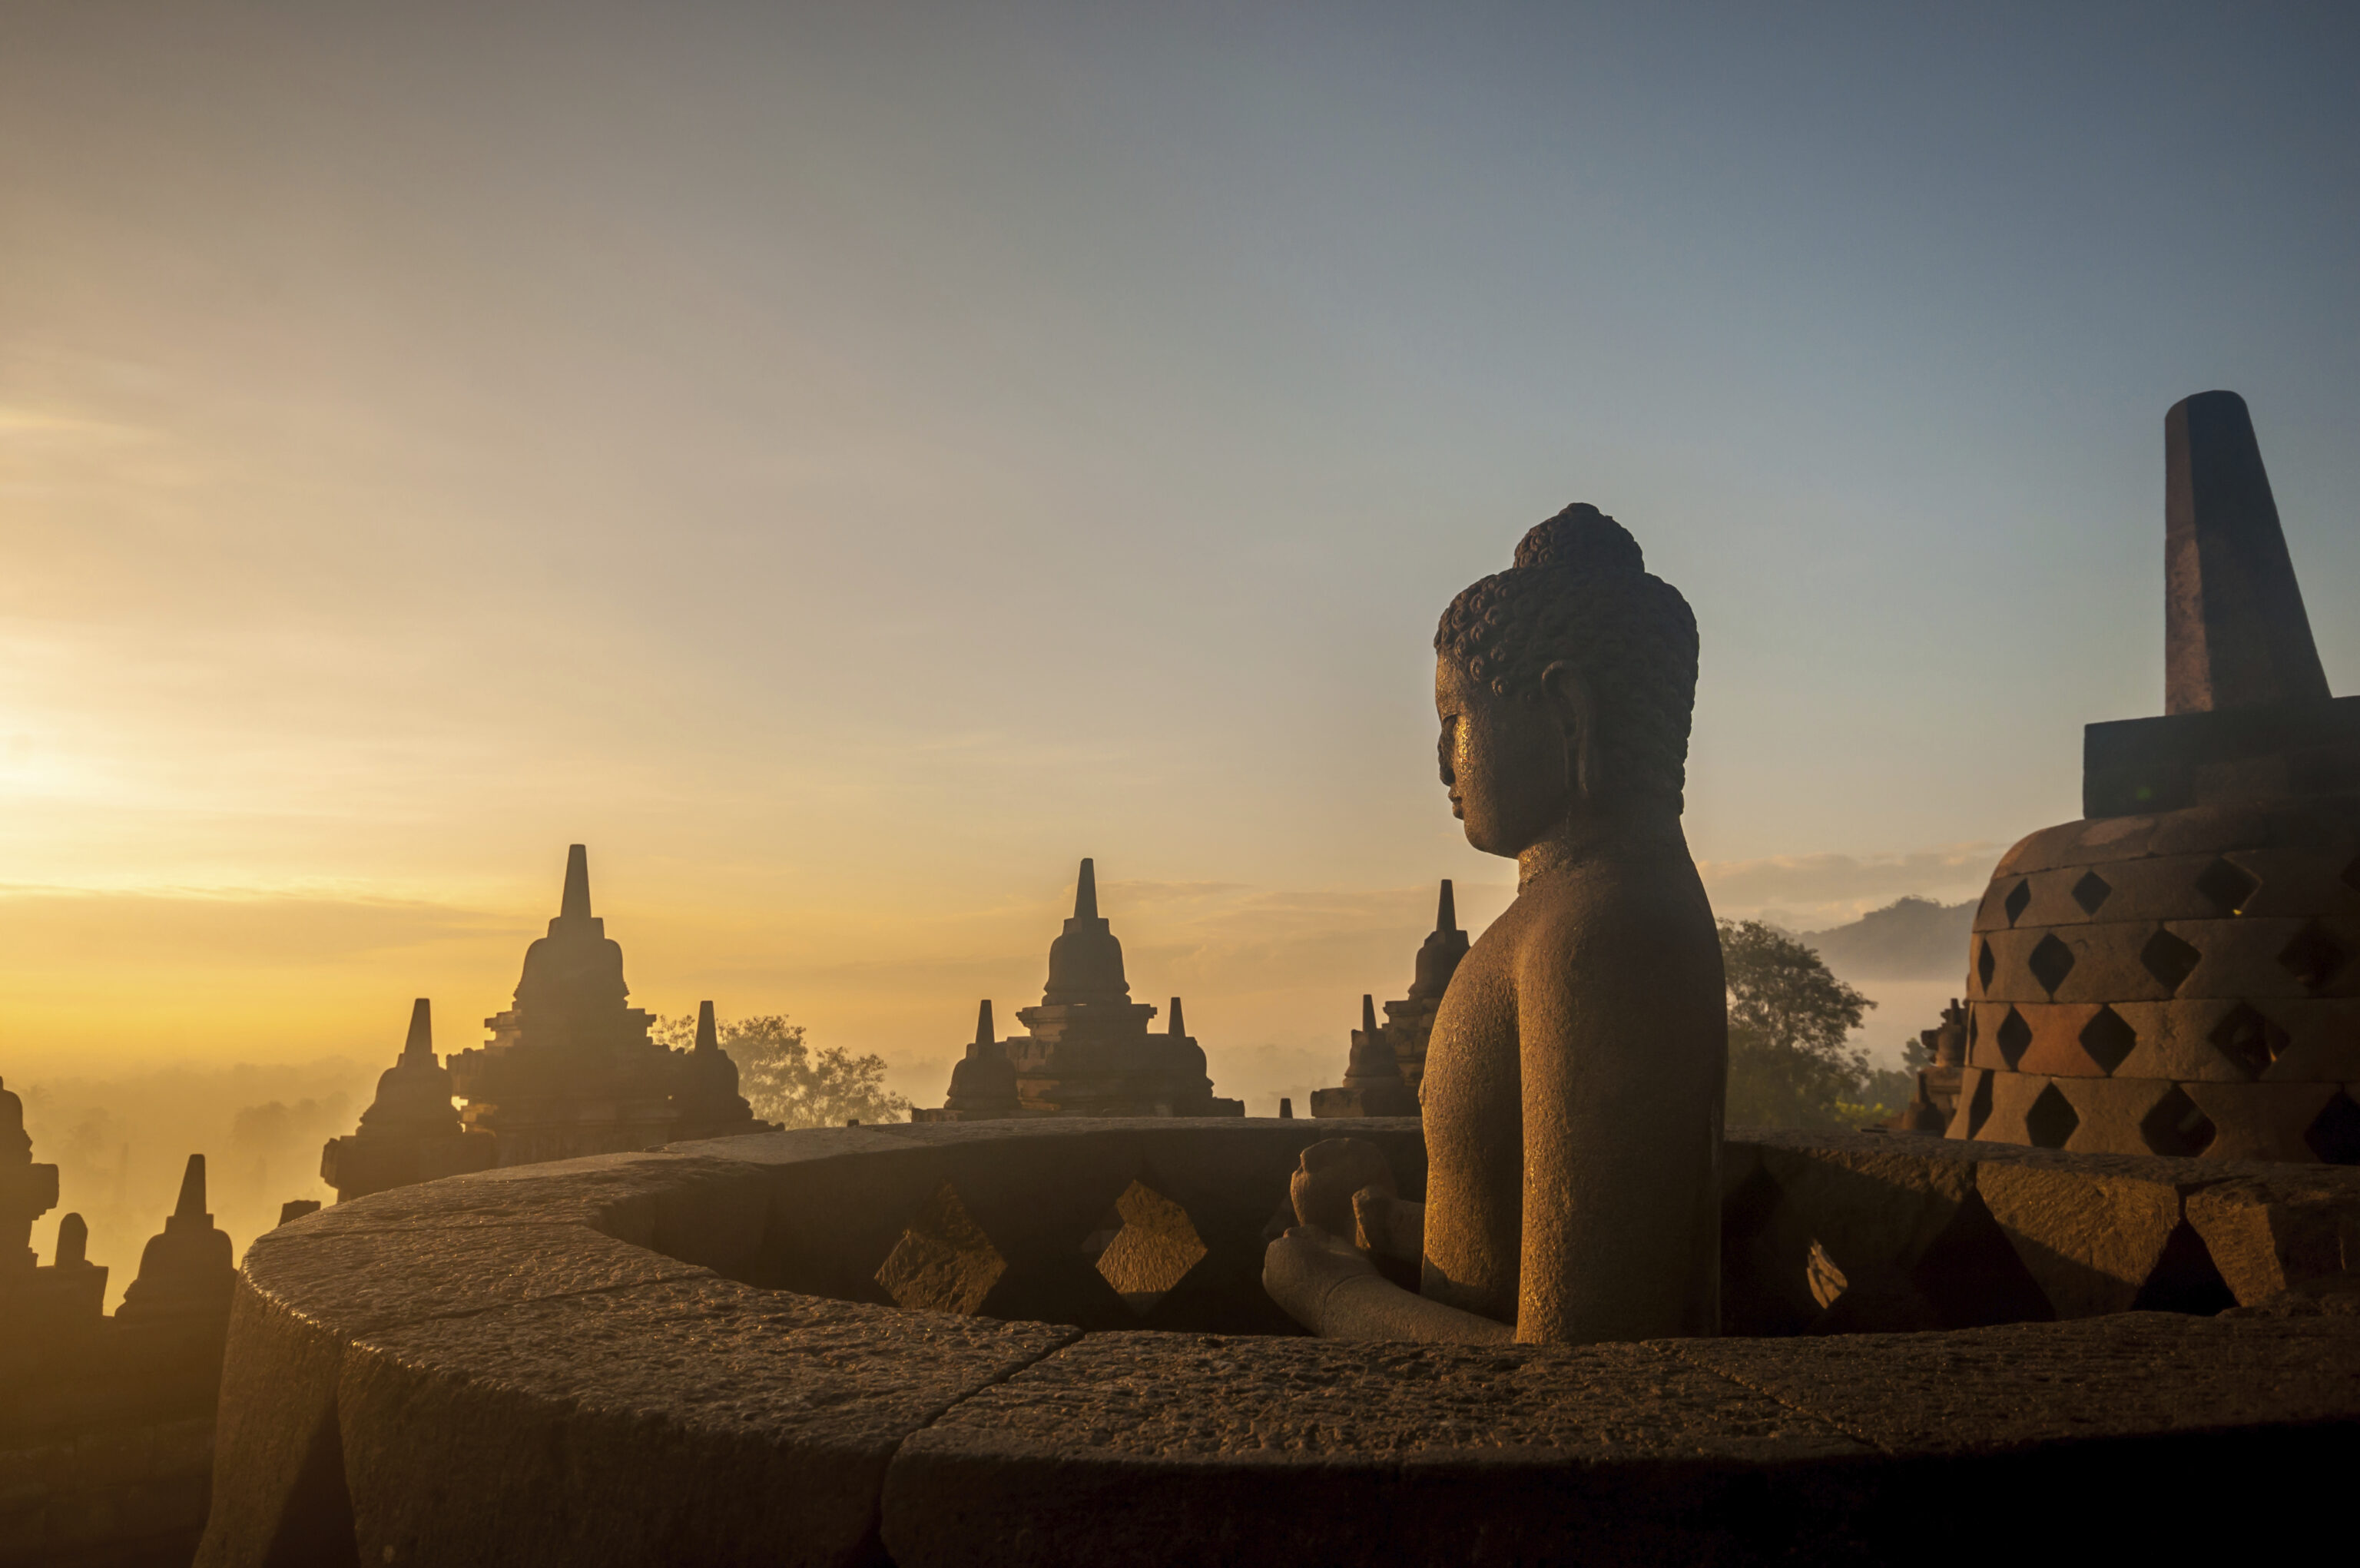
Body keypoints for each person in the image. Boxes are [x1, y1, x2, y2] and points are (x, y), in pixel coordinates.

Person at [1265, 504, 1725, 1344]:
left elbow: (1580, 1373)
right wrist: (1390, 1221)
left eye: (1454, 720)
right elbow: (1523, 1252)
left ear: (1568, 714)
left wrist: (1330, 1293)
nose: (1442, 761)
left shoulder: (1602, 935)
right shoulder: (1567, 913)